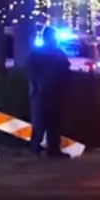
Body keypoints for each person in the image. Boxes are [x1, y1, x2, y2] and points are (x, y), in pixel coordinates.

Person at [25, 26, 71, 158]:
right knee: (40, 122)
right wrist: (37, 86)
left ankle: (53, 149)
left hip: (55, 93)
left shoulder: (57, 53)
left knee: (54, 123)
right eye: (52, 37)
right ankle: (35, 148)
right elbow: (30, 71)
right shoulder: (37, 53)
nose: (54, 40)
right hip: (41, 93)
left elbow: (66, 69)